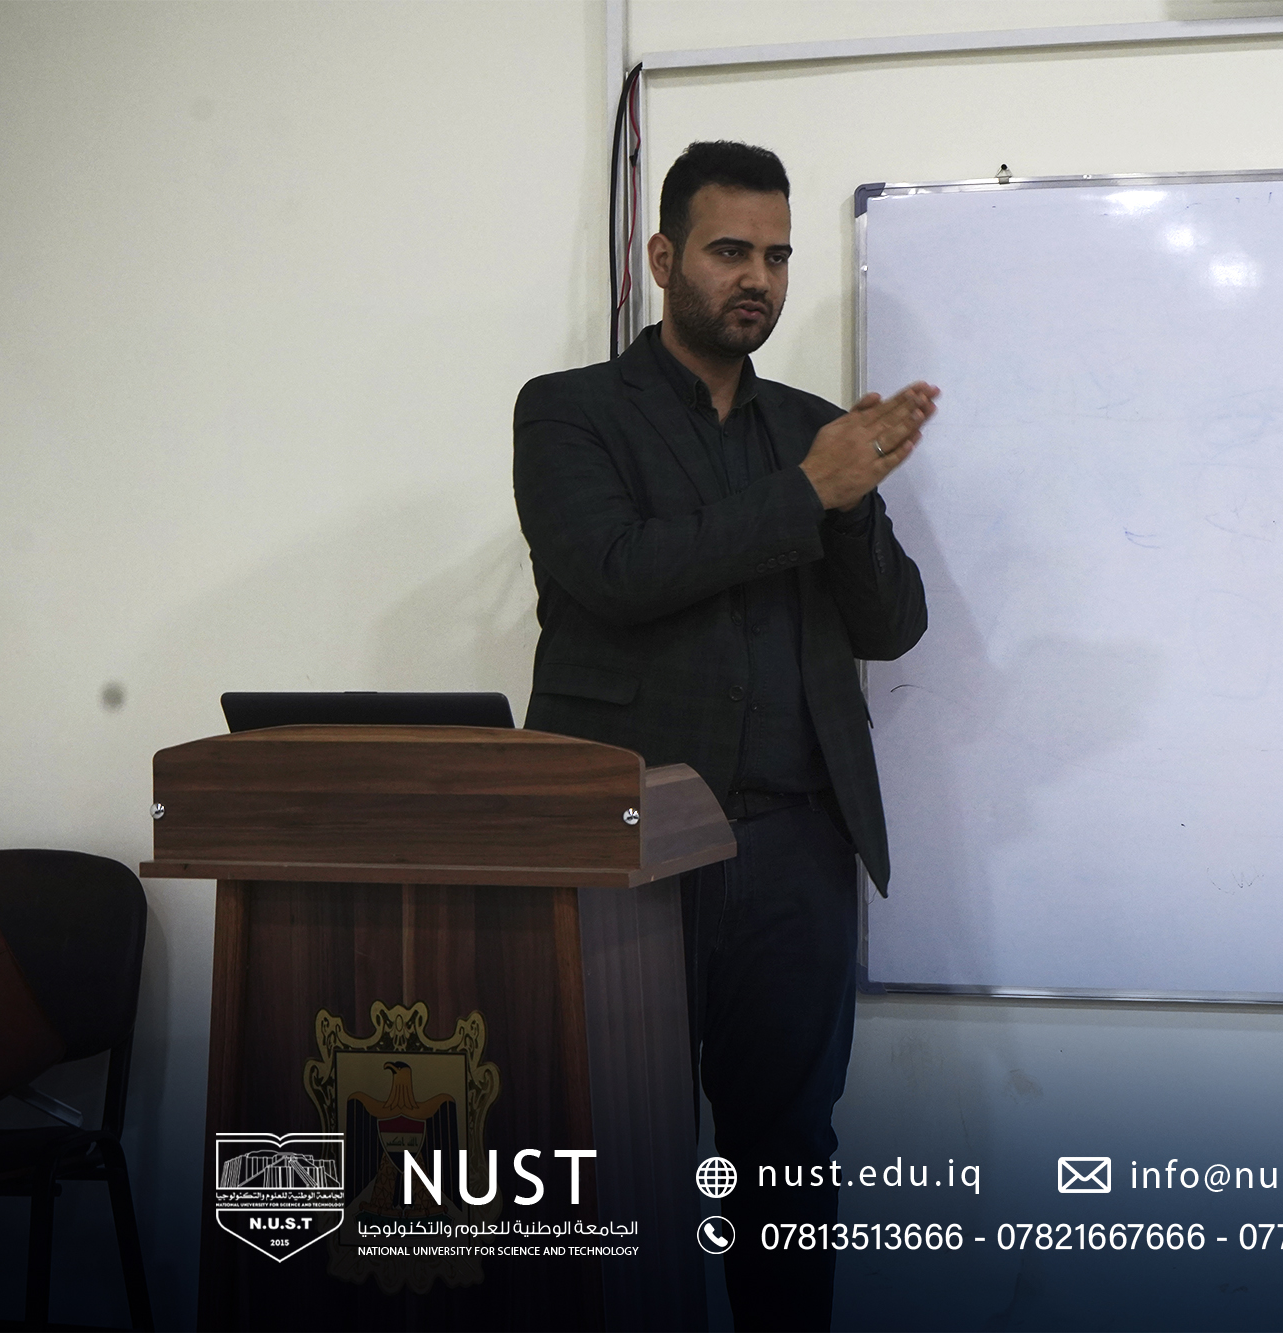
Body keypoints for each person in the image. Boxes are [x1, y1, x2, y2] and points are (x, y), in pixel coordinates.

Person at [510, 139, 938, 1330]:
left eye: (778, 256)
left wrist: (843, 500)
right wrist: (807, 491)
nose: (757, 277)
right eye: (730, 250)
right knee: (609, 1146)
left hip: (792, 850)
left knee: (785, 1155)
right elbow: (618, 572)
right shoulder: (569, 413)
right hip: (627, 849)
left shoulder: (811, 429)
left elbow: (891, 627)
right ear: (662, 258)